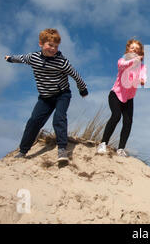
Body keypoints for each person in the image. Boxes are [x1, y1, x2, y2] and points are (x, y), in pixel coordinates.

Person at [5, 28, 88, 161]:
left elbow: (75, 75)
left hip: (62, 95)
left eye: (56, 46)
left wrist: (82, 89)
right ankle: (23, 151)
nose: (53, 49)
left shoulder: (61, 61)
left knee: (59, 118)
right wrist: (10, 59)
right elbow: (21, 58)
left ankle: (62, 149)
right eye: (50, 45)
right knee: (33, 122)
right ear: (41, 44)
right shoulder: (33, 58)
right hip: (45, 98)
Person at [97, 39, 147, 157]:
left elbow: (143, 77)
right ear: (127, 50)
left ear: (141, 53)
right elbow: (123, 65)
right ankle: (103, 143)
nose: (134, 50)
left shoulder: (142, 67)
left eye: (137, 49)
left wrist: (142, 80)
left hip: (129, 98)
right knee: (116, 116)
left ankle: (121, 149)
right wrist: (135, 60)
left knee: (128, 122)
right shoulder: (122, 61)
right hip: (115, 94)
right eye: (132, 48)